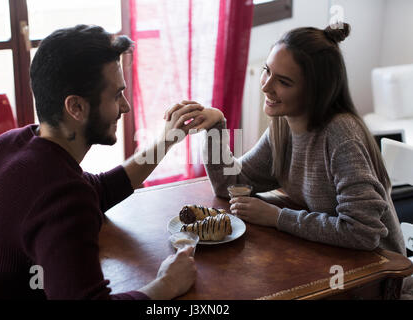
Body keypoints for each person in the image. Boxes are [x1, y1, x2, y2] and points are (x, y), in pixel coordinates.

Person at [0, 25, 203, 299]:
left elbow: (98, 189)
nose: (125, 107)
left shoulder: (9, 144)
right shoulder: (61, 195)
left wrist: (166, 141)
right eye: (115, 95)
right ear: (75, 107)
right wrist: (167, 284)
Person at [173, 23, 406, 255]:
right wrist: (215, 127)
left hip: (377, 275)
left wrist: (277, 217)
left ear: (315, 90)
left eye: (283, 82)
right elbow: (231, 185)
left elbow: (363, 232)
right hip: (325, 257)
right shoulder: (284, 124)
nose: (266, 86)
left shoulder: (341, 136)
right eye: (267, 70)